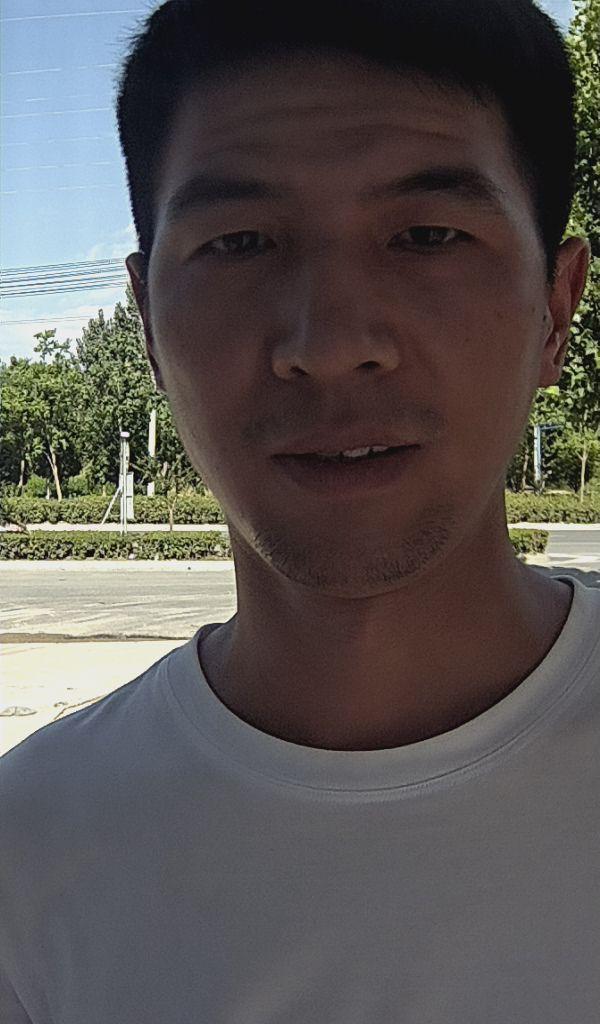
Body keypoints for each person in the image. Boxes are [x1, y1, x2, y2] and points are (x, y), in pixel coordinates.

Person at [1, 0, 598, 1019]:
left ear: (556, 306)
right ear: (146, 325)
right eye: (241, 243)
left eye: (426, 235)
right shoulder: (31, 855)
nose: (329, 343)